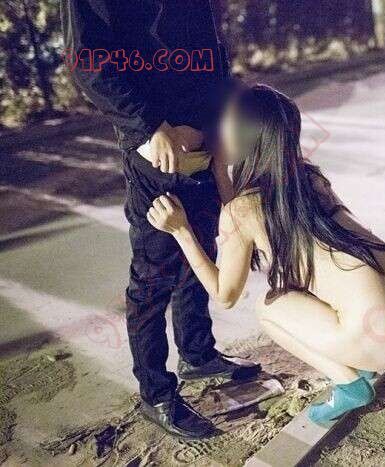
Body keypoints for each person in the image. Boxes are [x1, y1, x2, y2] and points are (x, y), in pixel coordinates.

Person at [146, 85, 385, 426]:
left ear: (246, 137)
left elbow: (224, 296)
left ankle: (349, 384)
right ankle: (365, 359)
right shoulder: (310, 178)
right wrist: (222, 171)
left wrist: (181, 231)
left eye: (226, 123)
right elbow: (249, 215)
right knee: (322, 279)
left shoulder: (243, 211)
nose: (218, 129)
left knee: (268, 309)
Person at [61, 0, 261, 439]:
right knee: (153, 279)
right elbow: (88, 59)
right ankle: (156, 394)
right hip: (157, 149)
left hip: (206, 135)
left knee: (200, 250)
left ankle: (198, 355)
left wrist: (216, 117)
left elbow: (205, 44)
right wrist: (148, 126)